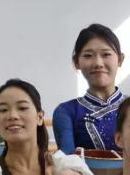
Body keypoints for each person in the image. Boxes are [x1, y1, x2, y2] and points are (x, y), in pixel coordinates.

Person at [51, 24, 125, 154]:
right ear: (76, 62)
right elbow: (67, 160)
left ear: (120, 59)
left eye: (106, 54)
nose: (98, 63)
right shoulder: (66, 112)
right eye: (88, 55)